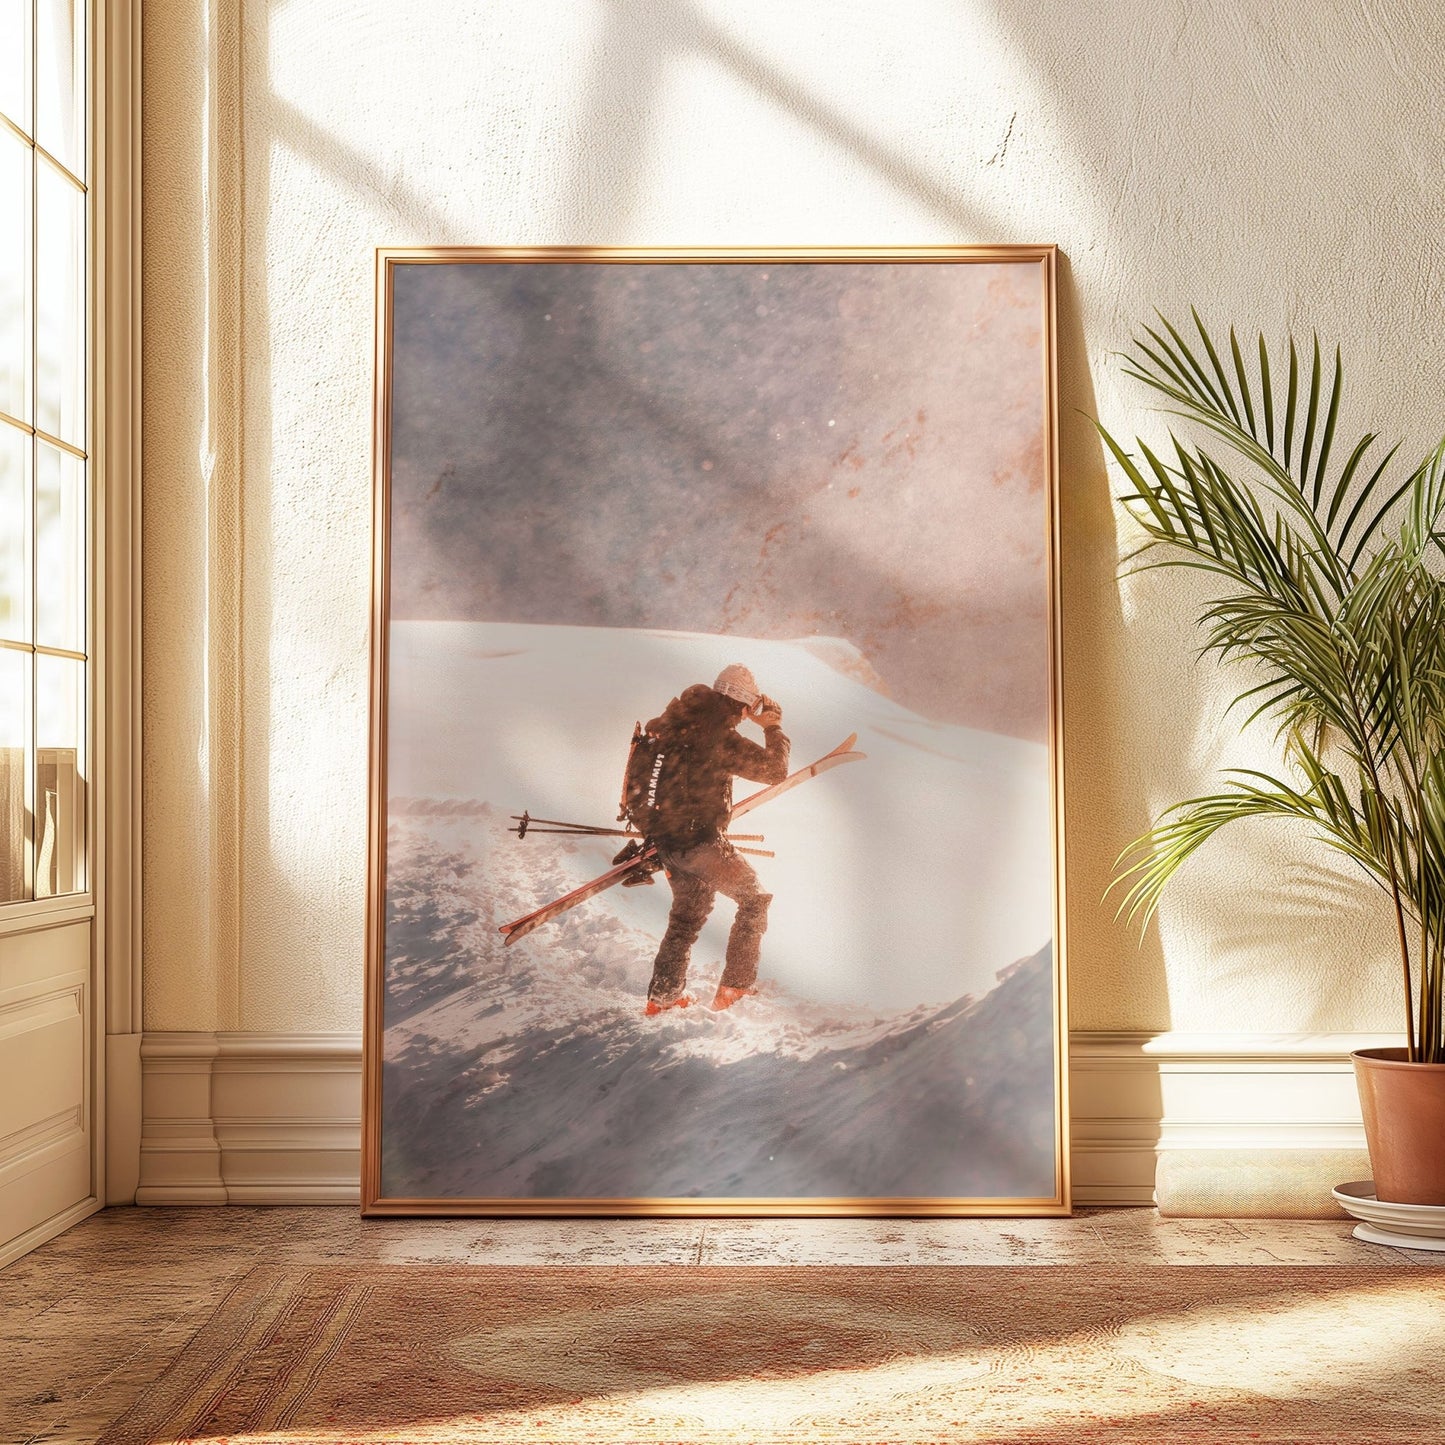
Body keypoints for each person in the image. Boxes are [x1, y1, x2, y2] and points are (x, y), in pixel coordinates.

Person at [641, 664, 790, 1015]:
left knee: (686, 917)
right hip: (700, 844)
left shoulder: (674, 724)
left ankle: (663, 998)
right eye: (747, 707)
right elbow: (774, 771)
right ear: (742, 704)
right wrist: (773, 727)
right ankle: (735, 989)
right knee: (754, 900)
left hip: (667, 843)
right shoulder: (717, 735)